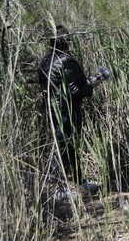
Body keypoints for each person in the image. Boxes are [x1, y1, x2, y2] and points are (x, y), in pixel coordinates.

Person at [38, 24, 102, 194]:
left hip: (52, 110)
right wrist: (92, 85)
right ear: (66, 42)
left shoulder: (45, 60)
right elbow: (75, 91)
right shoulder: (67, 61)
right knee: (66, 148)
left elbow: (57, 86)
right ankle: (62, 189)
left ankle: (79, 183)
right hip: (67, 111)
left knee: (64, 147)